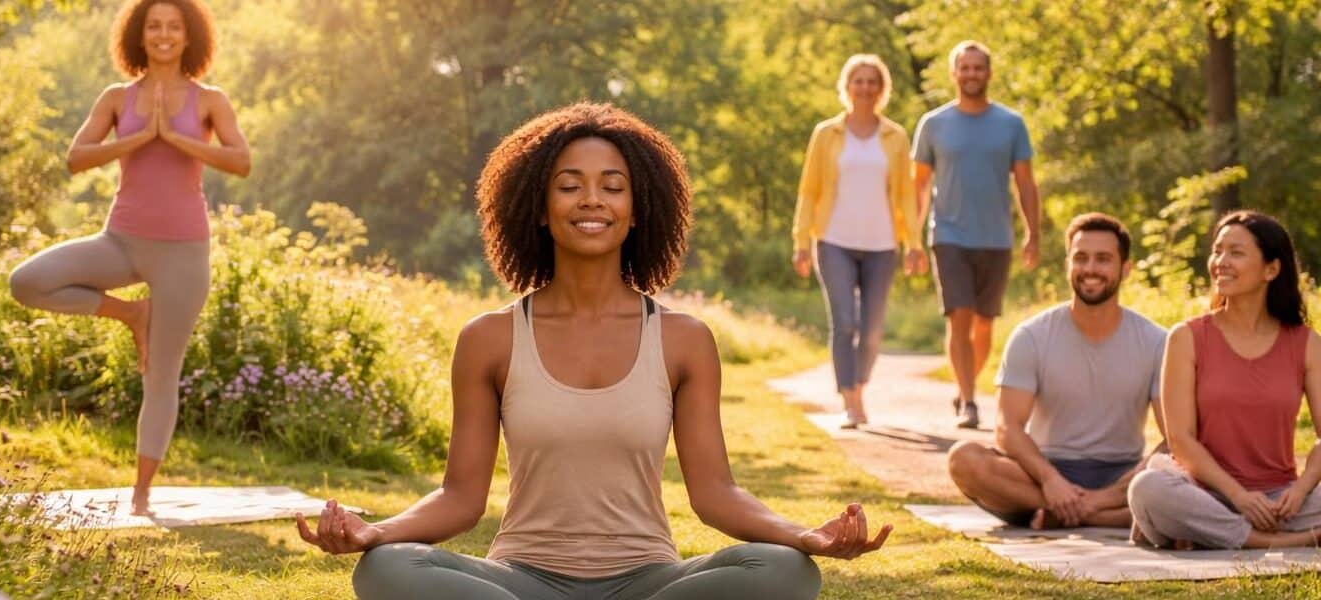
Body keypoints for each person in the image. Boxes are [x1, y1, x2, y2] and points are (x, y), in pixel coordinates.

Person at [297, 103, 891, 600]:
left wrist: (802, 536)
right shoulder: (489, 338)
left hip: (648, 580)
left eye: (612, 187)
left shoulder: (684, 339)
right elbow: (460, 498)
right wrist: (377, 532)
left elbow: (716, 495)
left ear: (636, 213)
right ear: (537, 206)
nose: (591, 201)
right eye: (569, 186)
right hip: (521, 579)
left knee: (785, 572)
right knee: (386, 569)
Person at [7, 0, 250, 515]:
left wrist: (179, 139)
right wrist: (142, 136)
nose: (163, 35)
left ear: (190, 37)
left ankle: (141, 494)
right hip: (119, 241)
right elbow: (77, 158)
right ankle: (130, 313)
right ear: (139, 35)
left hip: (183, 252)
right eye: (154, 26)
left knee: (160, 375)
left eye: (173, 27)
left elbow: (241, 161)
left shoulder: (209, 100)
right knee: (27, 281)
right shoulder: (118, 98)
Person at [947, 213, 1166, 529]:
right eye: (1081, 258)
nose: (1090, 268)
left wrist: (1101, 497)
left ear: (1125, 269)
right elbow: (1007, 426)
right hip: (1042, 473)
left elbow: (1173, 438)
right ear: (1068, 265)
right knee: (964, 459)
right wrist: (1050, 480)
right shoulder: (1032, 336)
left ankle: (1080, 513)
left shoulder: (1157, 341)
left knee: (1179, 468)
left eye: (1103, 259)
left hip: (1124, 476)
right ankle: (1110, 518)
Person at [1127, 210, 1321, 549]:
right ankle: (1274, 542)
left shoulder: (1305, 343)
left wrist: (1301, 488)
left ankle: (1210, 534)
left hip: (1279, 502)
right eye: (1217, 251)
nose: (1220, 261)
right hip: (1204, 493)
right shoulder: (1186, 337)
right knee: (1147, 489)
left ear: (1271, 269)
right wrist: (1240, 497)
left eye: (1236, 252)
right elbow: (1181, 440)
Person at [791, 54, 926, 429]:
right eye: (858, 81)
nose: (865, 88)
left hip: (882, 244)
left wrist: (914, 244)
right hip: (833, 239)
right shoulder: (826, 134)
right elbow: (809, 190)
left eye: (872, 81)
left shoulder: (895, 136)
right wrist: (802, 241)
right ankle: (850, 400)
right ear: (847, 87)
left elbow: (904, 195)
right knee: (845, 322)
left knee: (872, 328)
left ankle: (859, 386)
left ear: (882, 89)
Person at [911, 40, 1041, 428]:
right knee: (960, 317)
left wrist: (1033, 234)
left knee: (984, 323)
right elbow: (917, 187)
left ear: (988, 73)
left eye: (977, 68)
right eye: (964, 68)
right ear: (954, 74)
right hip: (948, 234)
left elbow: (1026, 184)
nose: (971, 74)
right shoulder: (933, 124)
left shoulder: (1011, 124)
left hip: (996, 237)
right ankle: (969, 400)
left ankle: (964, 382)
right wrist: (912, 239)